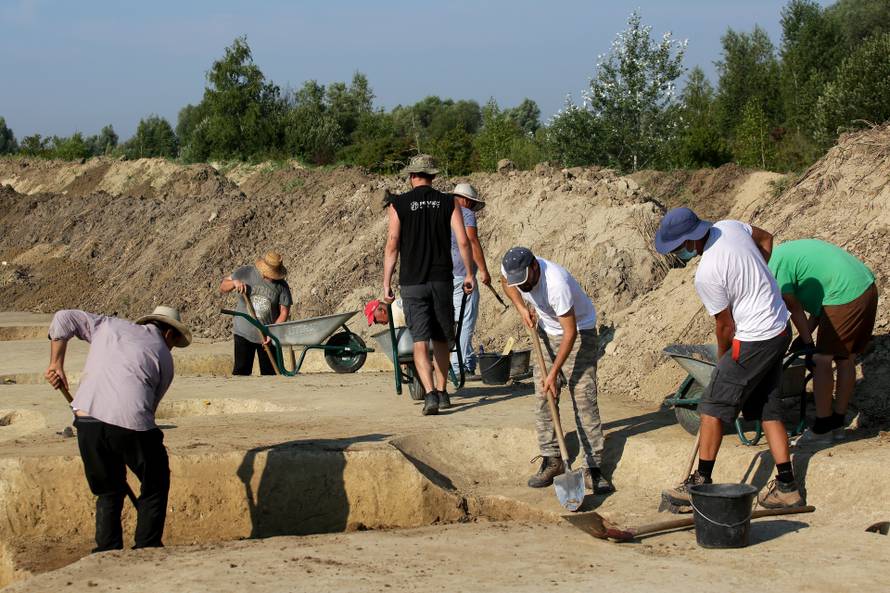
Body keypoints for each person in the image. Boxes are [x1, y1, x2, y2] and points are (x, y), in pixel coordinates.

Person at [655, 207, 803, 509]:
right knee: (768, 408)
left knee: (711, 407)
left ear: (690, 241)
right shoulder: (730, 227)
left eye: (679, 247)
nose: (679, 253)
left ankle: (700, 481)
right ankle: (787, 487)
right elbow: (766, 238)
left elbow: (725, 326)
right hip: (778, 327)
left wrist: (722, 361)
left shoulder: (707, 272)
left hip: (753, 338)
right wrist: (757, 284)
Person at [44, 306, 192, 552]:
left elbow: (62, 317)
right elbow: (146, 411)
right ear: (169, 334)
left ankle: (107, 551)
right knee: (155, 481)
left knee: (109, 490)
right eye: (175, 342)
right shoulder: (165, 357)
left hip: (87, 420)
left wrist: (55, 364)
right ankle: (147, 547)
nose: (172, 347)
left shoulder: (108, 325)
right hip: (130, 423)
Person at [500, 247, 614, 495]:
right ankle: (552, 459)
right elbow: (504, 282)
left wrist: (554, 374)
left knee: (583, 399)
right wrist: (521, 307)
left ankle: (592, 468)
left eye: (524, 281)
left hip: (579, 334)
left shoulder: (556, 284)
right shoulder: (512, 271)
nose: (522, 285)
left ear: (534, 268)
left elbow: (570, 334)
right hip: (546, 332)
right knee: (544, 397)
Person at [383, 154, 476, 416]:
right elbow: (463, 242)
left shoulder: (398, 204)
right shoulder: (448, 202)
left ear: (412, 176)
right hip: (442, 280)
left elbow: (392, 243)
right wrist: (469, 273)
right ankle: (443, 390)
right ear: (433, 177)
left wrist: (386, 283)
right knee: (442, 338)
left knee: (420, 340)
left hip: (412, 282)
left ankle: (430, 395)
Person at [767, 239, 878, 441]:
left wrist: (808, 344)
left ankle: (823, 427)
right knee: (846, 359)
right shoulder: (786, 254)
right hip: (865, 286)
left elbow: (793, 307)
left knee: (821, 360)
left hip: (843, 293)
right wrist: (805, 336)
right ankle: (837, 423)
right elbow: (819, 310)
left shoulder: (773, 265)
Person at [219, 251, 292, 376]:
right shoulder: (246, 272)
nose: (272, 277)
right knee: (241, 372)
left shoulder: (282, 286)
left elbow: (284, 312)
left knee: (270, 374)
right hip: (243, 332)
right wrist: (234, 283)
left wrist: (272, 332)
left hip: (267, 337)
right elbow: (223, 286)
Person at [450, 183, 491, 377]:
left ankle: (466, 362)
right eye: (472, 204)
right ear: (466, 200)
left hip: (445, 275)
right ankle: (458, 367)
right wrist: (483, 270)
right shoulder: (465, 213)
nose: (473, 207)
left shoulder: (444, 212)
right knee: (465, 321)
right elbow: (472, 241)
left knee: (454, 321)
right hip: (462, 274)